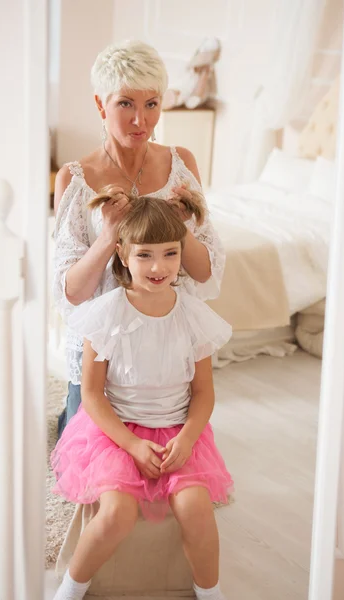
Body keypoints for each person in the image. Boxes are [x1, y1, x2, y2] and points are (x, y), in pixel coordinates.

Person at [51, 189, 233, 600]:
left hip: (177, 431)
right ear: (122, 254)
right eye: (145, 254)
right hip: (117, 432)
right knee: (117, 512)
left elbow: (203, 393)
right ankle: (70, 589)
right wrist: (132, 444)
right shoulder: (107, 313)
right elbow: (93, 395)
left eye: (170, 253)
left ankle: (211, 592)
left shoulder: (191, 316)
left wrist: (186, 438)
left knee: (196, 511)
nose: (159, 266)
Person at [53, 39, 226, 437]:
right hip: (104, 351)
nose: (140, 121)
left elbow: (202, 272)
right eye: (125, 104)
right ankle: (71, 408)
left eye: (151, 104)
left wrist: (180, 227)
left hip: (165, 345)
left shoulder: (182, 164)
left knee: (169, 464)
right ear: (101, 105)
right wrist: (109, 234)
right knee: (92, 469)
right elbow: (72, 292)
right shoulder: (74, 179)